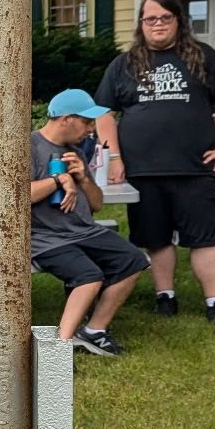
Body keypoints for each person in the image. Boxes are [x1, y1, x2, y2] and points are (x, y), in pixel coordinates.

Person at [94, 0, 215, 325]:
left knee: (205, 238)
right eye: (150, 19)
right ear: (141, 25)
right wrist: (114, 156)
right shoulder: (124, 64)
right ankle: (165, 297)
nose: (157, 25)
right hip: (142, 171)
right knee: (155, 238)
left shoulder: (203, 57)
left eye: (165, 18)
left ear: (178, 21)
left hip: (196, 168)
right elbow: (103, 112)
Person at [30, 91, 149, 356]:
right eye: (86, 122)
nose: (90, 129)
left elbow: (96, 205)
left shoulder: (76, 153)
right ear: (66, 119)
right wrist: (58, 181)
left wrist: (83, 179)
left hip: (84, 231)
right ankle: (59, 349)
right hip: (45, 237)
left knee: (135, 260)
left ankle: (94, 330)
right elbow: (16, 197)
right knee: (89, 277)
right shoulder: (30, 147)